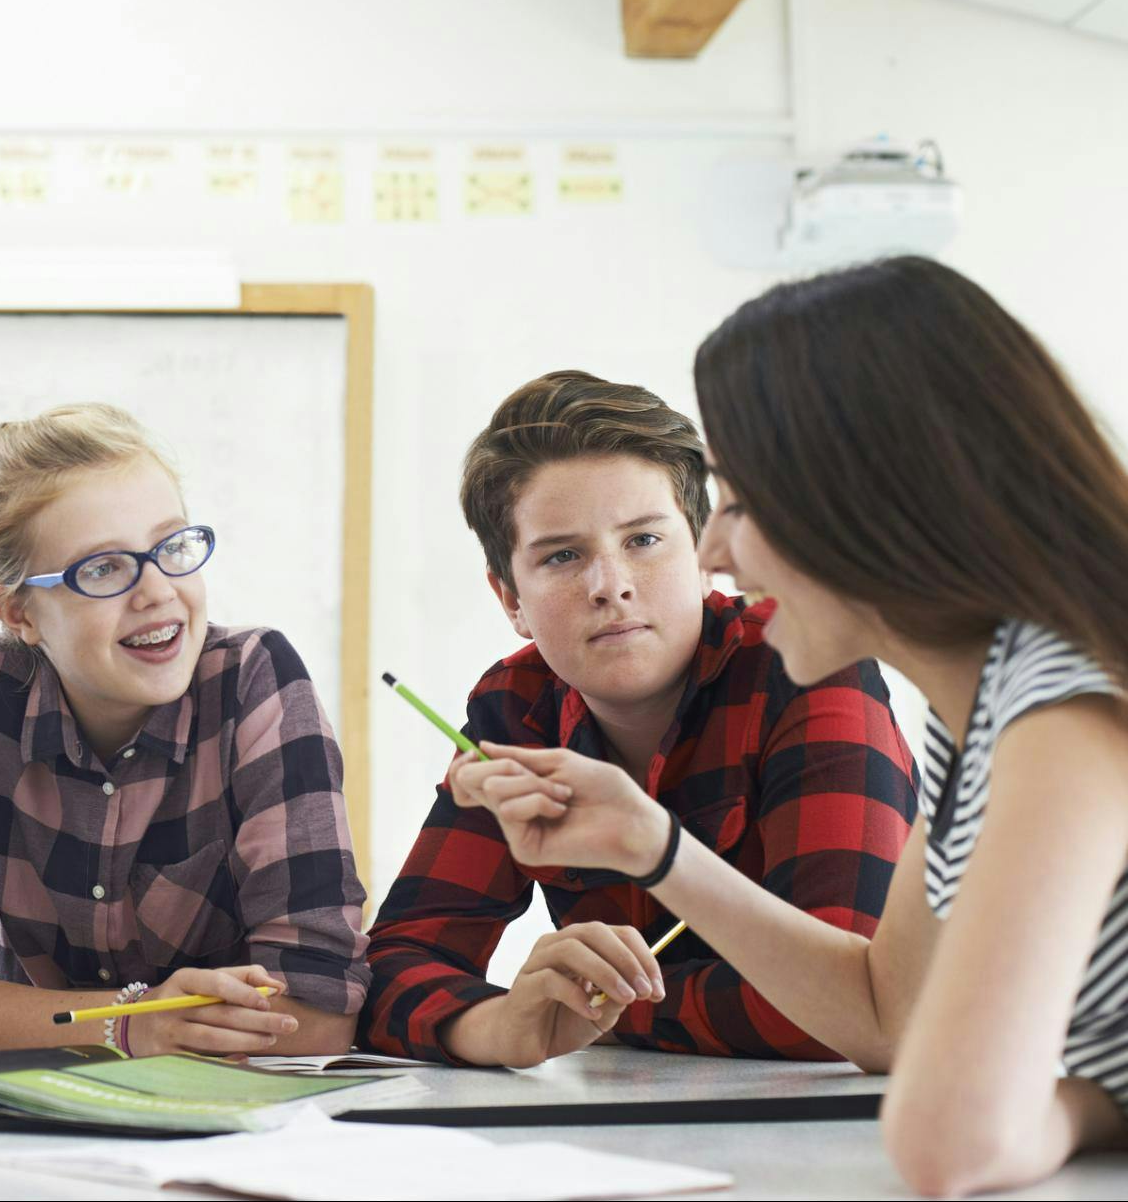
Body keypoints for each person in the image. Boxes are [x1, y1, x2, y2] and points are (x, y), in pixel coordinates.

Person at [448, 258, 1128, 1196]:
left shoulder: (1062, 713)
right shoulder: (983, 709)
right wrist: (653, 846)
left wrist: (1096, 1098)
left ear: (860, 504)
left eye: (736, 501)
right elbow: (886, 1013)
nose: (714, 550)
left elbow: (953, 1138)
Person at [361, 371, 918, 1068]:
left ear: (704, 553)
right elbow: (389, 968)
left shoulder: (804, 660)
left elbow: (844, 1005)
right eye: (562, 555)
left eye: (643, 540)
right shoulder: (515, 705)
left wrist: (602, 1008)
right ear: (509, 596)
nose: (610, 585)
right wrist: (505, 1025)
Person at [0, 403, 369, 1057]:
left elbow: (316, 1009)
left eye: (171, 547)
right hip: (40, 1115)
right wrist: (130, 1020)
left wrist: (112, 1024)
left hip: (238, 1116)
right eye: (103, 568)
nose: (156, 591)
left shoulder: (253, 678)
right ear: (18, 613)